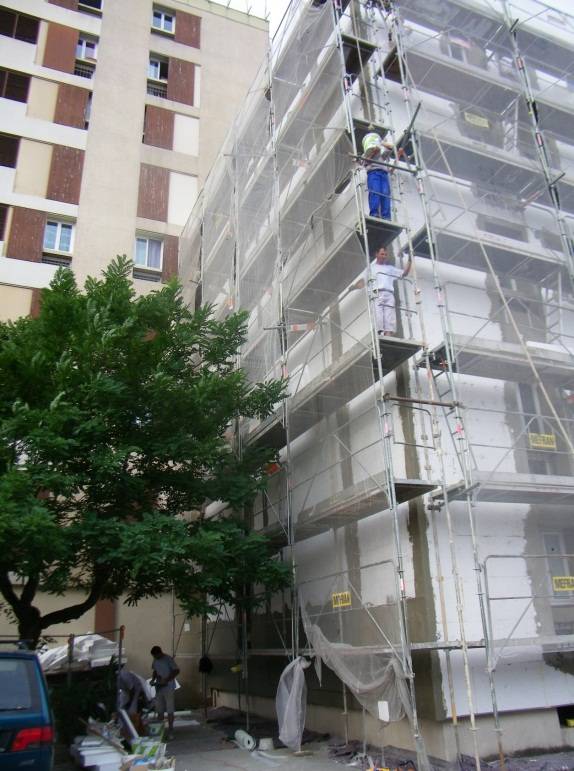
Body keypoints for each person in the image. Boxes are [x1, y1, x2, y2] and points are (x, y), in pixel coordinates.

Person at [352, 246, 412, 336]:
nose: (384, 256)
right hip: (376, 290)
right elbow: (363, 282)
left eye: (385, 254)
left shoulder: (389, 268)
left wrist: (410, 259)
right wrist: (354, 287)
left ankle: (388, 335)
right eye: (382, 254)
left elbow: (404, 273)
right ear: (376, 254)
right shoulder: (370, 268)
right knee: (378, 314)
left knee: (389, 316)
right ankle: (379, 334)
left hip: (388, 292)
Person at [362, 130, 395, 220]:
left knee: (385, 194)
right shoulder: (365, 155)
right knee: (375, 192)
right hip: (373, 173)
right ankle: (374, 213)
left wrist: (381, 143)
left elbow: (391, 147)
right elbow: (365, 163)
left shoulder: (381, 155)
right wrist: (373, 152)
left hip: (384, 174)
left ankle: (386, 216)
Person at [150, 645, 180, 740]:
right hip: (159, 687)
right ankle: (160, 731)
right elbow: (155, 670)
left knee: (170, 709)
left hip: (169, 687)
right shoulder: (155, 660)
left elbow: (176, 670)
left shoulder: (168, 659)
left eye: (156, 656)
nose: (155, 658)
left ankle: (171, 730)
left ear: (160, 653)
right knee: (159, 709)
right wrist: (153, 679)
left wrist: (167, 679)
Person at [117, 666, 146, 736]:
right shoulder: (115, 678)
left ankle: (135, 733)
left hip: (135, 690)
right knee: (121, 709)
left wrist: (129, 703)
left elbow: (132, 690)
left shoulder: (124, 676)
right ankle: (124, 730)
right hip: (126, 691)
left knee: (132, 711)